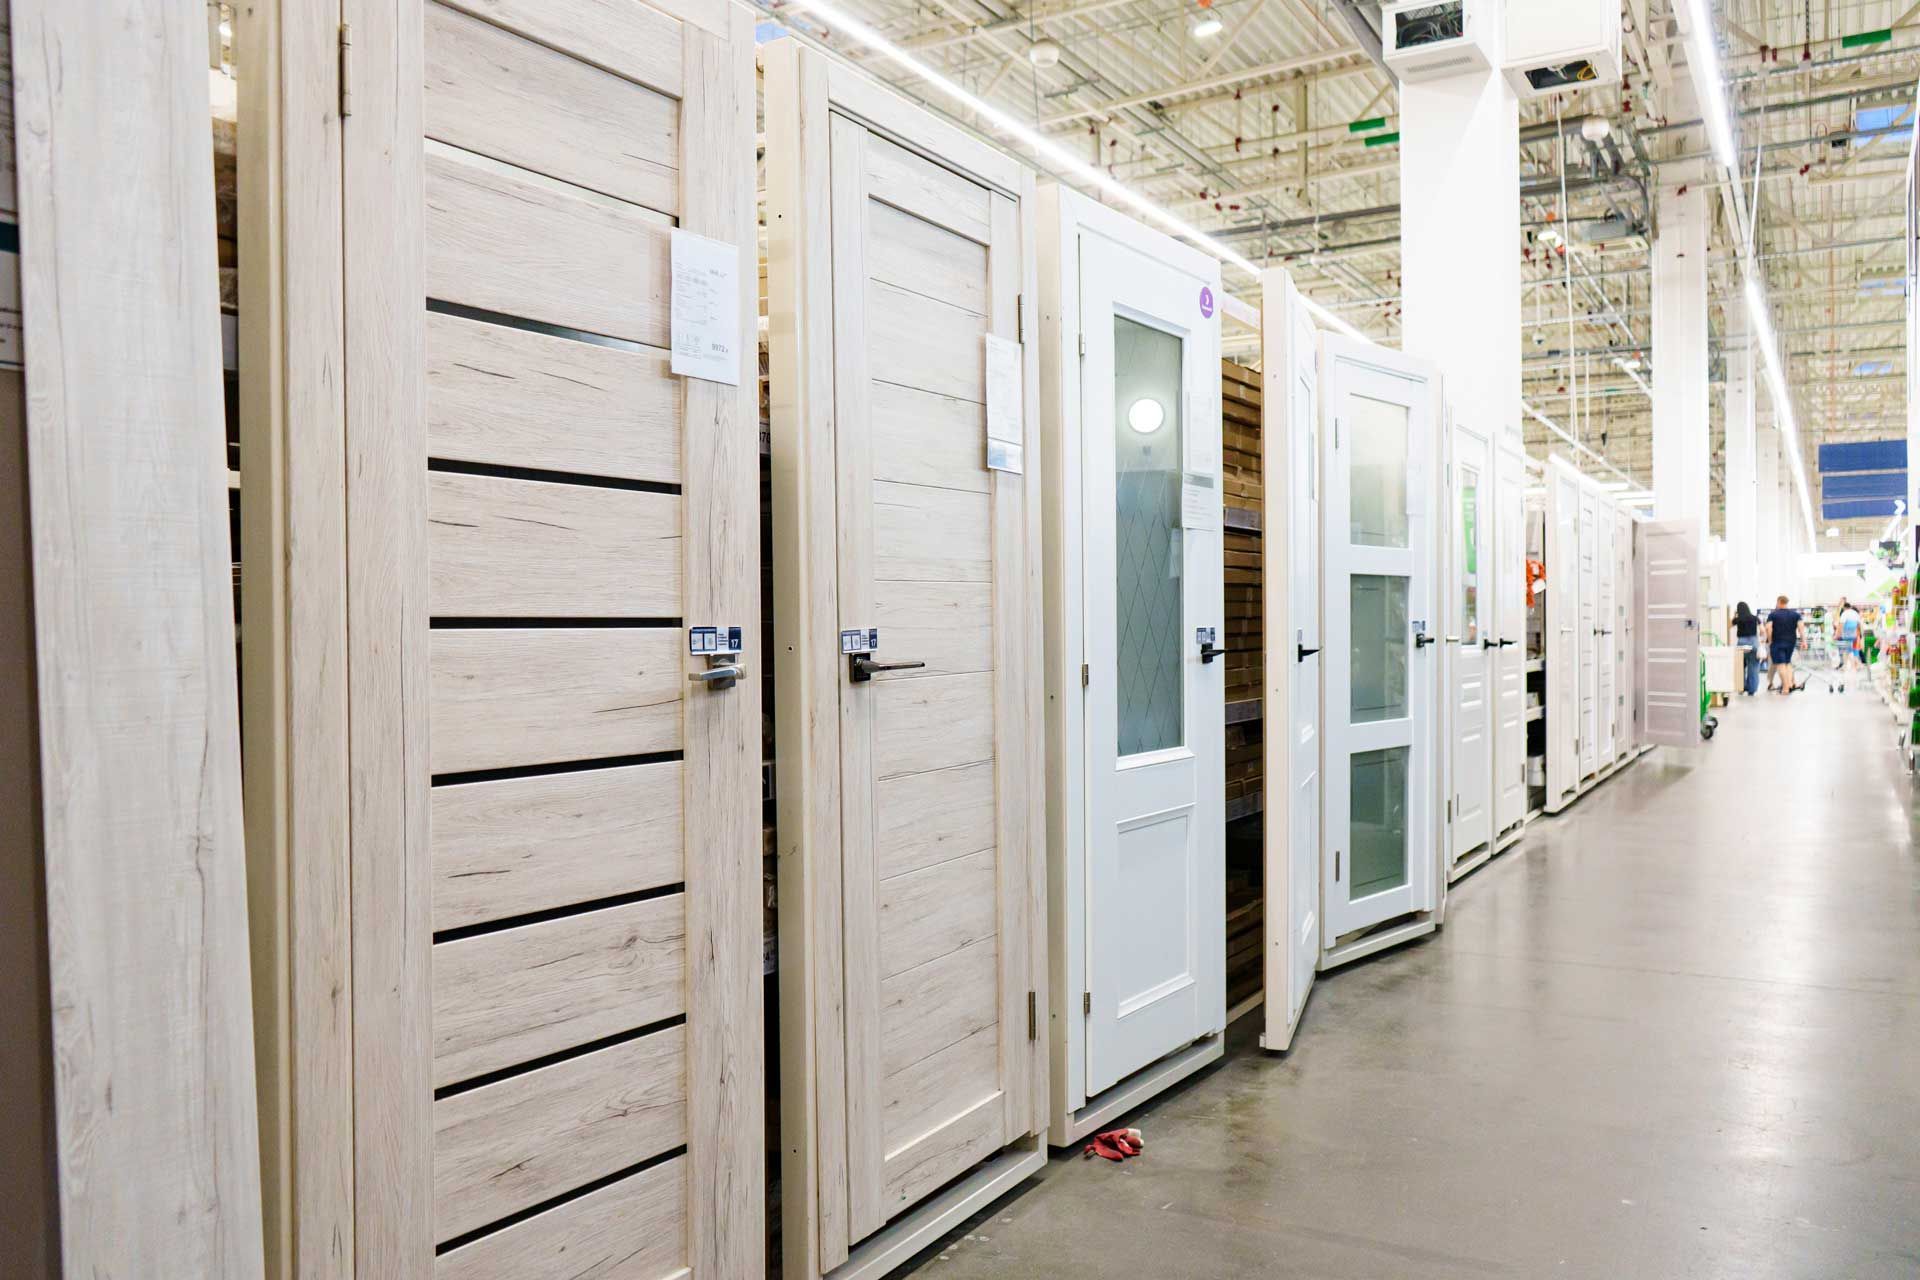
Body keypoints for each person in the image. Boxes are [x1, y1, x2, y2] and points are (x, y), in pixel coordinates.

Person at [1764, 595, 1802, 694]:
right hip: (1791, 642)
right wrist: (1804, 641)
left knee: (1781, 665)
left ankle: (1785, 688)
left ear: (1779, 602)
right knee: (1788, 663)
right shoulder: (1795, 615)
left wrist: (1770, 640)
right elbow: (1801, 628)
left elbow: (1768, 628)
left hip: (1777, 642)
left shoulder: (1773, 615)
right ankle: (1789, 684)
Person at [1729, 601, 1761, 696]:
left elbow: (1729, 626)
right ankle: (1752, 690)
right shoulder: (1755, 618)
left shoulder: (1738, 619)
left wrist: (1735, 616)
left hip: (1742, 644)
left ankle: (1741, 688)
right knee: (1753, 667)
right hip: (1753, 644)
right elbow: (1763, 630)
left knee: (1740, 667)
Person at [1835, 600, 1863, 692]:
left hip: (1846, 634)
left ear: (1844, 608)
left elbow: (1841, 625)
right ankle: (1856, 666)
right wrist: (1859, 635)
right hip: (1855, 634)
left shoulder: (1845, 614)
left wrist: (1837, 635)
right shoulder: (1855, 613)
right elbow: (1859, 625)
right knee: (1855, 651)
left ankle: (1845, 666)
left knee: (1845, 651)